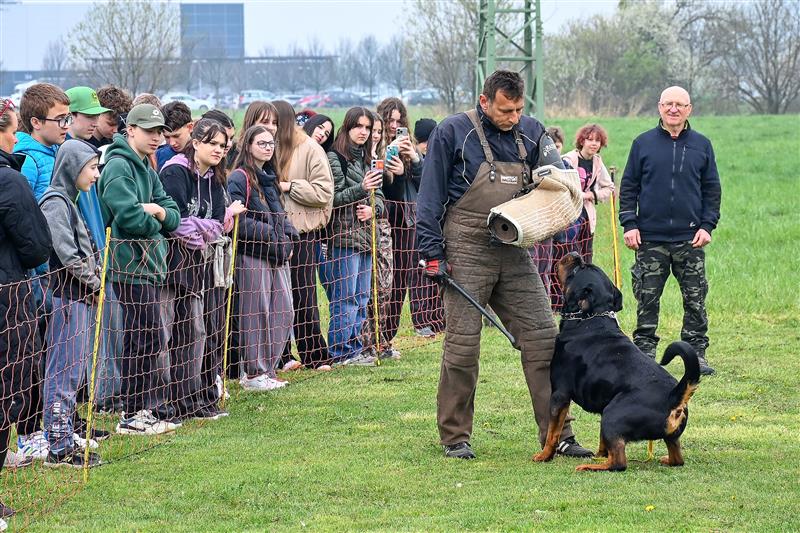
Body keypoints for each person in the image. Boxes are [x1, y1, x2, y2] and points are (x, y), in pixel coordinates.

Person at [416, 70, 592, 459]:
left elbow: (558, 180)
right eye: (504, 110)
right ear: (484, 102)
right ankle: (455, 437)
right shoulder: (451, 132)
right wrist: (432, 253)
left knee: (544, 340)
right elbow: (428, 198)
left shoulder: (532, 131)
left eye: (518, 109)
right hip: (464, 246)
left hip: (513, 246)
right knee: (463, 347)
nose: (513, 117)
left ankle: (558, 435)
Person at [619, 86, 721, 376]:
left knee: (695, 298)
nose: (673, 109)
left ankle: (696, 353)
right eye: (668, 104)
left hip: (691, 239)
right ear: (659, 107)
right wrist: (630, 223)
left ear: (689, 109)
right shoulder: (642, 144)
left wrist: (707, 225)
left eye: (680, 104)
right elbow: (629, 187)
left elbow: (712, 190)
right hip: (650, 238)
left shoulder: (702, 145)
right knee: (647, 299)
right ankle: (643, 354)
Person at [97, 104, 182, 435]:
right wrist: (155, 219)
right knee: (142, 337)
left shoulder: (148, 168)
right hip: (129, 265)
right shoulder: (118, 167)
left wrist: (158, 212)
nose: (157, 137)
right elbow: (129, 218)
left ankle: (142, 408)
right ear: (130, 130)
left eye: (159, 131)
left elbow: (172, 214)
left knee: (151, 335)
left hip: (149, 265)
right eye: (149, 131)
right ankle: (132, 413)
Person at [0, 98, 52, 524]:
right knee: (5, 389)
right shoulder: (10, 180)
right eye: (13, 129)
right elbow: (36, 245)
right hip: (6, 295)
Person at [12, 82, 69, 461]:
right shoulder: (29, 161)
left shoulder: (53, 153)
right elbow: (25, 217)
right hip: (32, 273)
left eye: (68, 118)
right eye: (59, 119)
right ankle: (28, 432)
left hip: (51, 269)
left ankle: (52, 425)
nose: (66, 125)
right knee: (30, 353)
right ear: (35, 121)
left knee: (48, 348)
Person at [159, 119, 230, 420]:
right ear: (196, 142)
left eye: (223, 145)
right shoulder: (175, 171)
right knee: (166, 335)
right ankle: (166, 402)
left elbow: (217, 224)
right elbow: (174, 221)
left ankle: (191, 399)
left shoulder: (213, 178)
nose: (218, 150)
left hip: (197, 266)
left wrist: (200, 229)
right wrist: (202, 230)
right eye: (212, 143)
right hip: (170, 264)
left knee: (195, 332)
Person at [39, 139, 103, 468]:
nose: (95, 175)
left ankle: (63, 437)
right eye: (91, 168)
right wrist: (96, 283)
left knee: (74, 370)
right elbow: (67, 256)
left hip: (79, 297)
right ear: (72, 167)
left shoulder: (70, 200)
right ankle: (58, 445)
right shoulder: (55, 203)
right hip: (67, 298)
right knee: (63, 372)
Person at [265, 108, 337, 371]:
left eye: (274, 122)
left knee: (303, 295)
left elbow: (323, 192)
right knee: (275, 297)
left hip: (302, 233)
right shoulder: (265, 147)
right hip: (271, 233)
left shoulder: (309, 149)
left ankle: (314, 353)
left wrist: (289, 186)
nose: (270, 127)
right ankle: (282, 355)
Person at [228, 125, 298, 390]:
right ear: (248, 146)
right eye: (262, 143)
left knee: (283, 309)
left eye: (271, 143)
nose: (268, 148)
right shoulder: (239, 177)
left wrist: (289, 237)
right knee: (256, 313)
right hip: (253, 254)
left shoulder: (269, 176)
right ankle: (254, 372)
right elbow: (238, 221)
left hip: (277, 254)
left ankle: (268, 368)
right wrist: (271, 234)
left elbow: (279, 213)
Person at [378, 97, 444, 342]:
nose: (394, 125)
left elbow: (426, 183)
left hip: (407, 218)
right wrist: (389, 170)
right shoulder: (377, 145)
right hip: (385, 216)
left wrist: (413, 162)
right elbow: (381, 185)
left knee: (408, 275)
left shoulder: (411, 148)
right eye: (390, 120)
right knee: (386, 279)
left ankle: (393, 332)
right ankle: (381, 333)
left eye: (398, 120)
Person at [325, 107, 385, 366]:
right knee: (345, 296)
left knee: (362, 297)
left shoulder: (368, 159)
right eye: (358, 126)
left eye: (368, 128)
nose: (364, 132)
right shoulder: (334, 158)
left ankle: (356, 348)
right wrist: (361, 189)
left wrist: (374, 209)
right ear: (347, 127)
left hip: (365, 236)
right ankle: (340, 351)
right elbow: (332, 199)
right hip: (343, 236)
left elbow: (381, 198)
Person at [356, 112, 397, 361]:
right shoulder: (354, 158)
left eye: (379, 131)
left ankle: (381, 339)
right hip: (360, 229)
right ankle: (364, 343)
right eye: (373, 130)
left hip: (381, 227)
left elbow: (383, 194)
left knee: (383, 286)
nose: (376, 135)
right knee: (364, 289)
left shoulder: (377, 159)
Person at [561, 123, 615, 263]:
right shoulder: (568, 160)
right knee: (569, 256)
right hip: (569, 215)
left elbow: (609, 187)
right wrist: (578, 195)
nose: (594, 144)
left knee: (586, 256)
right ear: (582, 141)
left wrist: (591, 195)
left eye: (597, 141)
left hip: (587, 216)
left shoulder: (597, 161)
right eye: (590, 139)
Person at [157, 101, 194, 171]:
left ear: (190, 127)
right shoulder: (160, 156)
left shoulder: (203, 153)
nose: (172, 143)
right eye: (167, 137)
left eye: (176, 136)